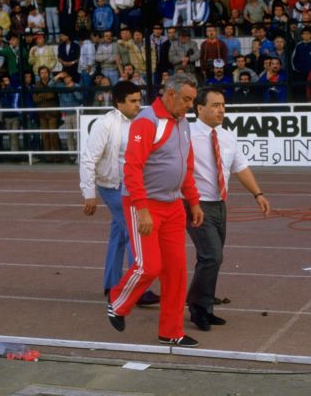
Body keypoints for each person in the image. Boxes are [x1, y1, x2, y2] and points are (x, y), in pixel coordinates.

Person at [107, 73, 204, 348]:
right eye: (186, 99)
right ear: (170, 94)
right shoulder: (147, 122)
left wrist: (193, 201)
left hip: (173, 206)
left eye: (192, 100)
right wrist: (142, 208)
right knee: (148, 266)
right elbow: (132, 167)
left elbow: (186, 165)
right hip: (145, 204)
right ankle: (117, 301)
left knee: (176, 271)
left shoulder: (182, 122)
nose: (190, 105)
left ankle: (171, 331)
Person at [186, 87, 271, 331]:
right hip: (196, 204)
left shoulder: (227, 136)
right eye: (215, 105)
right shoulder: (186, 135)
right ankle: (198, 308)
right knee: (212, 255)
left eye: (223, 105)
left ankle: (205, 306)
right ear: (199, 108)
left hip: (220, 204)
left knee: (211, 258)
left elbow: (240, 166)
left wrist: (258, 194)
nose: (221, 110)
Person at [80, 81, 160, 305]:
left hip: (132, 187)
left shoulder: (142, 121)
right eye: (133, 101)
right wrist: (89, 192)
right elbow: (88, 159)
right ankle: (137, 289)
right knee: (137, 234)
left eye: (139, 99)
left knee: (120, 235)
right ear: (118, 102)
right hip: (113, 187)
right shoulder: (105, 125)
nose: (138, 104)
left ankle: (112, 283)